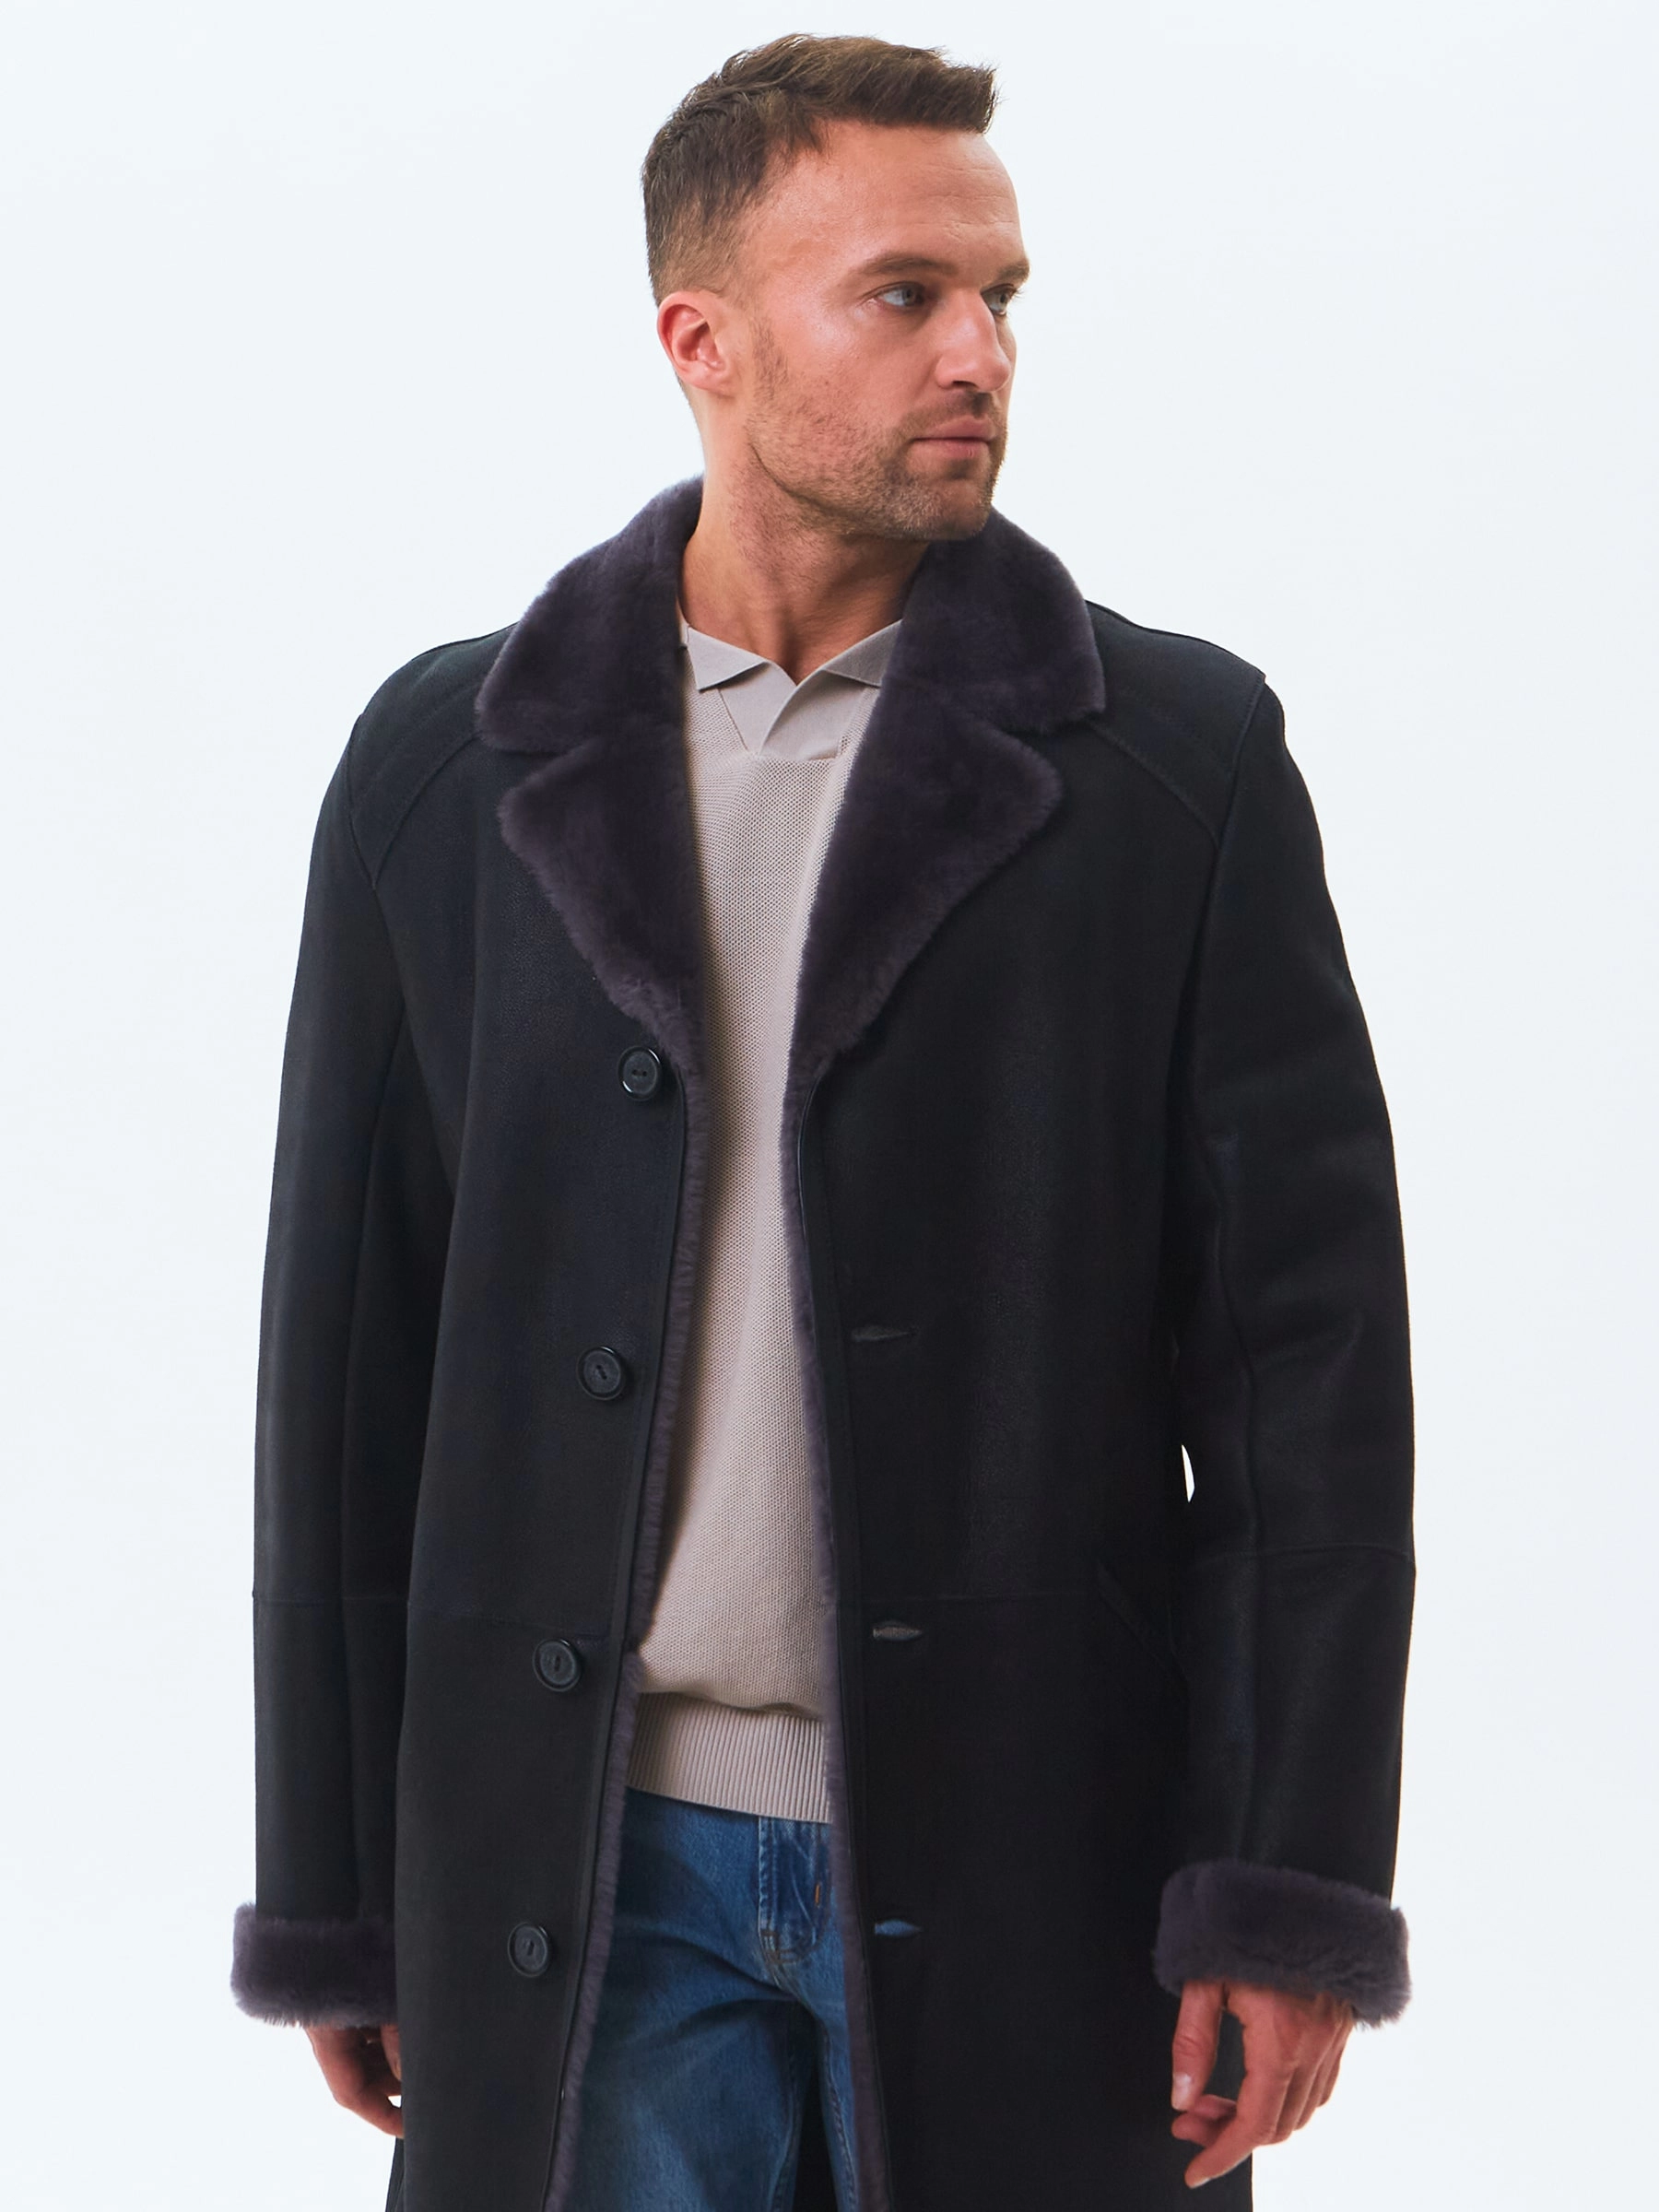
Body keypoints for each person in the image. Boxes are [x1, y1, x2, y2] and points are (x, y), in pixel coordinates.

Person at [230, 32, 1415, 2212]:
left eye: (1002, 296)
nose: (981, 353)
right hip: (574, 1876)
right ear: (701, 340)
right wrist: (335, 1878)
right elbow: (350, 1358)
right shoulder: (451, 770)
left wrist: (1287, 1877)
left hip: (1036, 1861)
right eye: (903, 295)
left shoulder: (1173, 767)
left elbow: (1306, 1380)